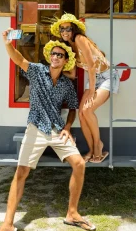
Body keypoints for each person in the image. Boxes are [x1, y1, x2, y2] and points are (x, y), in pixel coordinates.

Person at [0, 29, 96, 231]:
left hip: (56, 129)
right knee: (21, 172)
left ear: (66, 61)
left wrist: (67, 127)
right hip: (36, 127)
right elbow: (18, 59)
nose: (56, 57)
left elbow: (74, 107)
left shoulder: (67, 84)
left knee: (79, 164)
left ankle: (72, 214)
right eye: (53, 54)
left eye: (60, 55)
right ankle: (8, 224)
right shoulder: (37, 71)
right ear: (49, 56)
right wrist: (7, 42)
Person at [50, 14, 120, 164]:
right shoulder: (70, 48)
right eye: (62, 29)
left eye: (68, 28)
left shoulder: (79, 39)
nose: (64, 31)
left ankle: (97, 146)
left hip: (106, 76)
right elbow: (74, 74)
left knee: (87, 110)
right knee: (82, 114)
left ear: (73, 29)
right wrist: (55, 70)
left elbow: (92, 63)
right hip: (94, 77)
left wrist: (92, 89)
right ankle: (91, 148)